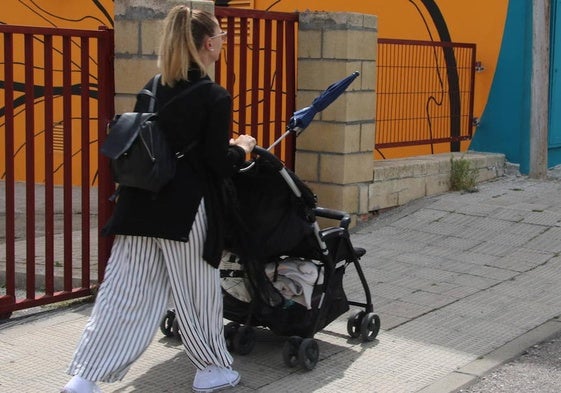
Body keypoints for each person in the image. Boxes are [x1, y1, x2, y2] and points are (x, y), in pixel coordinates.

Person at [62, 5, 255, 393]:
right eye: (220, 36)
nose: (222, 42)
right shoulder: (214, 95)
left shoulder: (150, 88)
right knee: (196, 291)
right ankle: (211, 369)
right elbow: (218, 164)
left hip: (137, 206)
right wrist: (243, 148)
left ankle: (84, 378)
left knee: (123, 293)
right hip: (186, 212)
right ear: (207, 43)